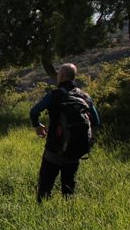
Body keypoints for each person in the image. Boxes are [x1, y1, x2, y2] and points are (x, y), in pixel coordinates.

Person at [29, 63, 100, 203]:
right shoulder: (85, 97)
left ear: (61, 76)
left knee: (45, 186)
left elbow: (34, 111)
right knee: (69, 187)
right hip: (75, 151)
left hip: (54, 150)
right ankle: (68, 214)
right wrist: (88, 139)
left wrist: (37, 126)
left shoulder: (54, 95)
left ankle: (41, 214)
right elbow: (97, 121)